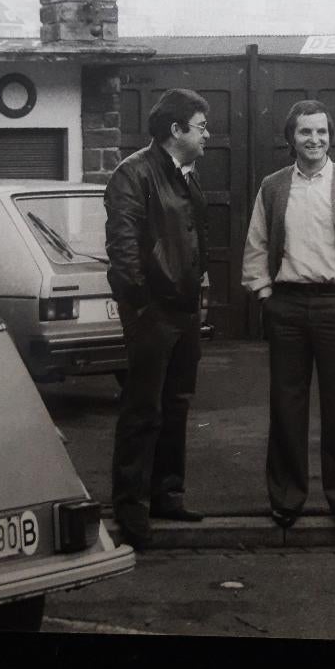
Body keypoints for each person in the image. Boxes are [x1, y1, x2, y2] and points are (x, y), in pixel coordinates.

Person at [242, 99, 335, 534]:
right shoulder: (273, 187)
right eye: (305, 132)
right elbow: (257, 245)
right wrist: (264, 292)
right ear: (291, 138)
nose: (314, 140)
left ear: (330, 136)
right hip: (287, 307)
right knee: (287, 408)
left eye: (321, 132)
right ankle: (287, 499)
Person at [104, 88, 210, 550]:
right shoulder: (133, 174)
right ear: (176, 130)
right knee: (142, 410)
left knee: (176, 404)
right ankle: (131, 508)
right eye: (201, 125)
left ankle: (166, 493)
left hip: (184, 310)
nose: (208, 133)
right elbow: (123, 248)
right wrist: (142, 305)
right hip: (152, 312)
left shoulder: (187, 176)